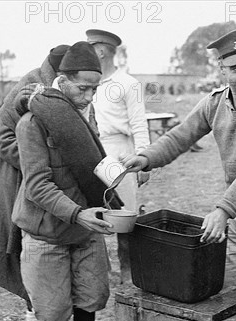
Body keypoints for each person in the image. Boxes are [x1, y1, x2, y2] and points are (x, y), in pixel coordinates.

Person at [122, 28, 236, 304]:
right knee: (223, 286)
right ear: (222, 70)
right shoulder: (214, 103)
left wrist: (222, 210)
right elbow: (180, 136)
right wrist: (146, 158)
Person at [12, 41, 117, 321]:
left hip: (85, 229)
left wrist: (123, 179)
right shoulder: (32, 123)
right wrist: (77, 214)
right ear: (62, 79)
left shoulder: (85, 117)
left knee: (90, 294)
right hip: (47, 230)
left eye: (94, 89)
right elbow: (38, 186)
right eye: (82, 88)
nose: (88, 97)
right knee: (52, 304)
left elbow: (97, 167)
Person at [0, 44, 71, 321]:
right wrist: (39, 160)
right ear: (57, 71)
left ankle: (59, 319)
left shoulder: (70, 88)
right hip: (20, 181)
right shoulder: (29, 86)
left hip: (54, 180)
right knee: (26, 247)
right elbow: (4, 140)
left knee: (59, 245)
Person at [86, 29, 150, 283]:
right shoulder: (86, 82)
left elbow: (139, 124)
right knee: (91, 214)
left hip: (121, 155)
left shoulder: (128, 84)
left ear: (101, 51)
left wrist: (145, 162)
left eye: (91, 47)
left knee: (124, 220)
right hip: (91, 153)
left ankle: (128, 274)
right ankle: (95, 275)